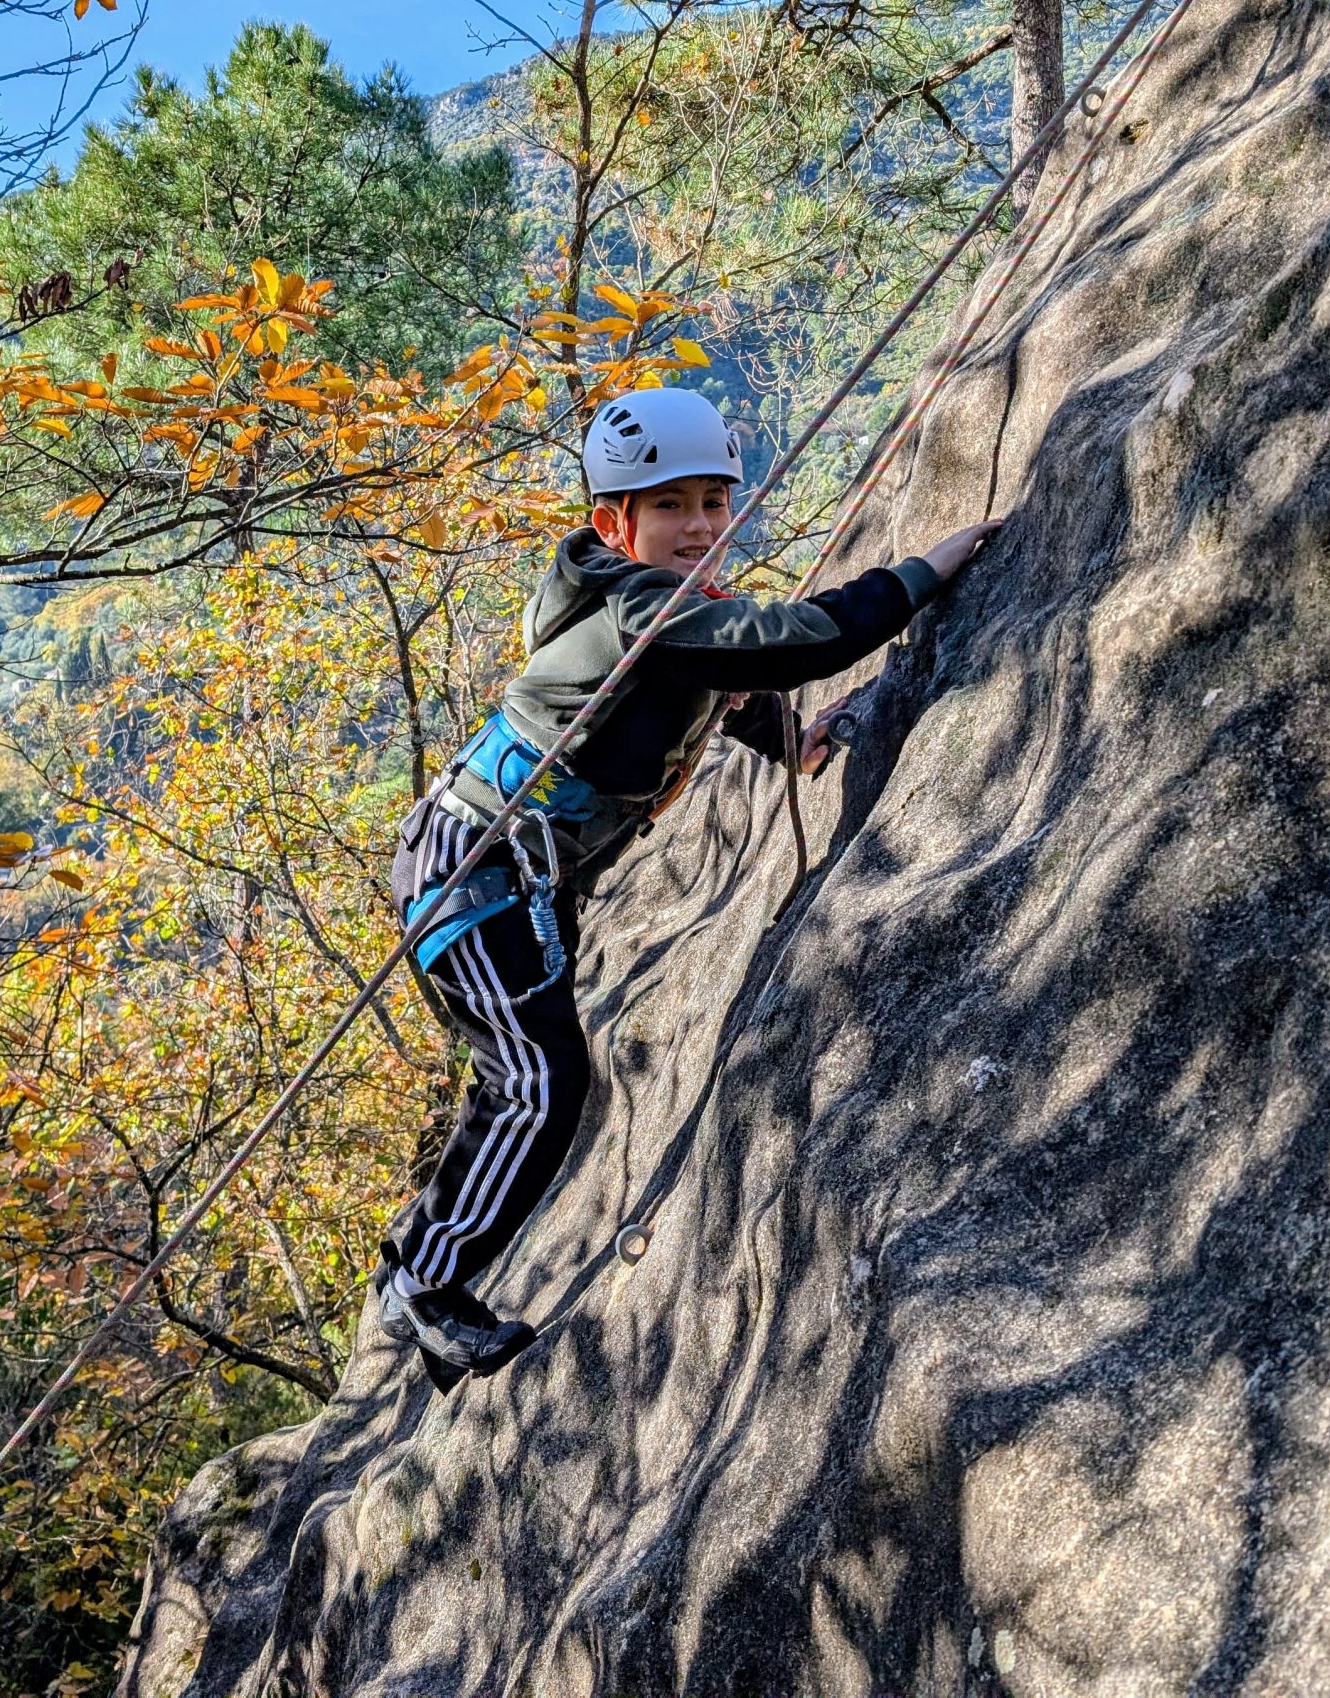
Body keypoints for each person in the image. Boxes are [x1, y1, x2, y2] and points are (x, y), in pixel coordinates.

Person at [379, 385, 1000, 1379]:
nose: (700, 524)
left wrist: (792, 747)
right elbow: (803, 640)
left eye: (713, 500)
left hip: (509, 873)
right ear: (612, 523)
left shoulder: (666, 611)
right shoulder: (640, 605)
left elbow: (717, 682)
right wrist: (925, 570)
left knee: (522, 1075)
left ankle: (416, 1262)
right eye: (670, 505)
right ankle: (424, 1288)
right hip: (472, 868)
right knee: (538, 1080)